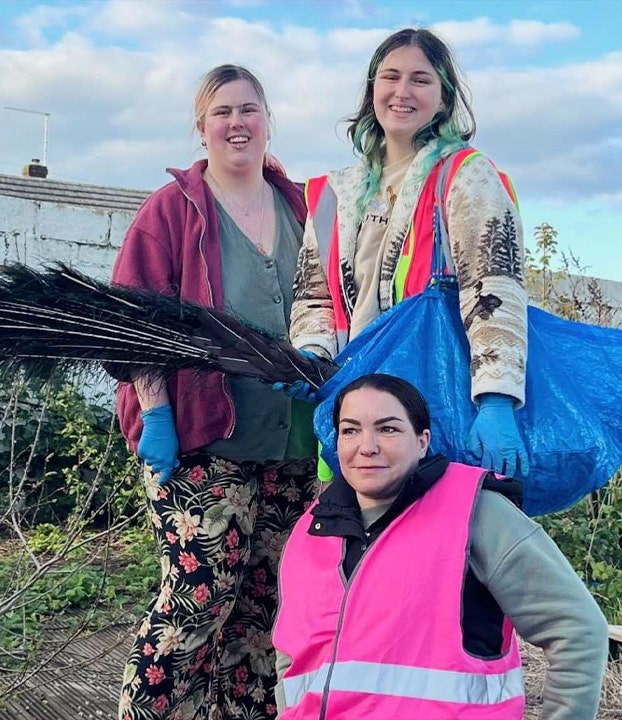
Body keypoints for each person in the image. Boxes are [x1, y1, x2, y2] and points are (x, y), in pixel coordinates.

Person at [112, 64, 317, 720]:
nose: (237, 123)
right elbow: (135, 322)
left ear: (267, 121)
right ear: (201, 128)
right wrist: (156, 412)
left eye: (249, 110)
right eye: (222, 111)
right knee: (195, 605)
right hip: (200, 441)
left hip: (290, 443)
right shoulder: (172, 210)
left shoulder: (300, 208)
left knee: (261, 613)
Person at [272, 373, 607, 719]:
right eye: (350, 430)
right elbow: (292, 655)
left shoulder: (477, 513)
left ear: (422, 441)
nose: (366, 446)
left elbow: (578, 630)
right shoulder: (311, 530)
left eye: (387, 429)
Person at [289, 27, 529, 477]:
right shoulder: (330, 195)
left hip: (435, 410)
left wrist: (497, 399)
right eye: (390, 77)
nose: (402, 91)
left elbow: (495, 286)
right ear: (372, 91)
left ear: (443, 98)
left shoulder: (466, 177)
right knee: (355, 541)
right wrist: (312, 355)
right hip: (352, 411)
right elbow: (314, 298)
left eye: (420, 79)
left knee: (433, 541)